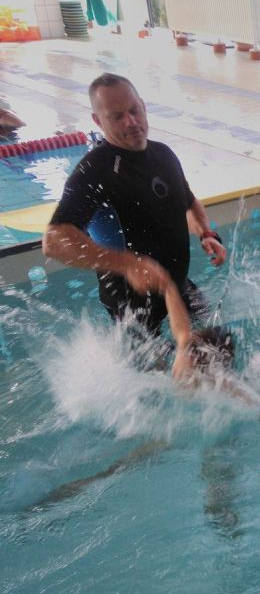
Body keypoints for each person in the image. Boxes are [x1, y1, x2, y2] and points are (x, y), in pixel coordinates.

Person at [42, 73, 227, 378]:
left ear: (143, 105)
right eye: (117, 116)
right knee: (155, 383)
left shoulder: (164, 155)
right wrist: (127, 264)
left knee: (217, 352)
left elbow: (189, 202)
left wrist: (206, 234)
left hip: (176, 283)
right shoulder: (95, 169)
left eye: (134, 110)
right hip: (131, 301)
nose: (131, 122)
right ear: (98, 121)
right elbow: (54, 241)